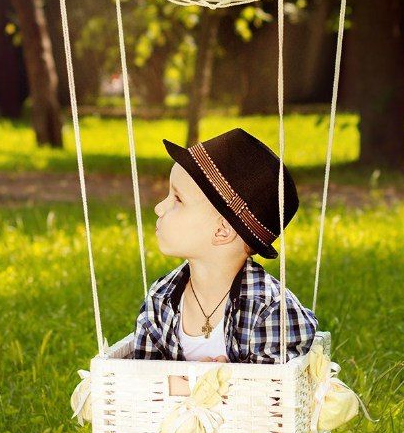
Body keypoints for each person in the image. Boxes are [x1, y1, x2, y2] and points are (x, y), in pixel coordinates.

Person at [132, 128, 317, 371]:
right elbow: (139, 381)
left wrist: (205, 385)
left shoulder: (270, 310)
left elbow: (271, 395)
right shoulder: (161, 298)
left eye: (177, 199)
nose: (159, 207)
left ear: (222, 231)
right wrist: (199, 384)